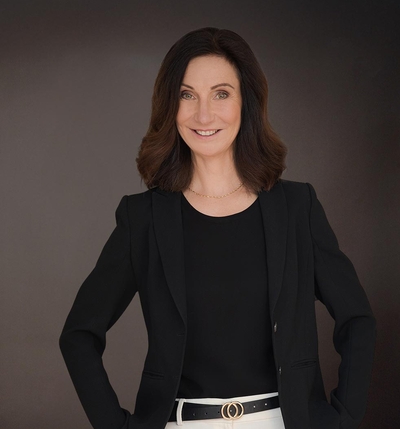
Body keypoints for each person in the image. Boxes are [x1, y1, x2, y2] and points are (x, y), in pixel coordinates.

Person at [59, 27, 376, 429]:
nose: (204, 114)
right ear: (169, 105)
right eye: (187, 95)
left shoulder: (297, 207)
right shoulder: (143, 219)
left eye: (221, 94)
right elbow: (78, 335)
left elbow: (357, 320)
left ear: (247, 102)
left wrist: (342, 420)